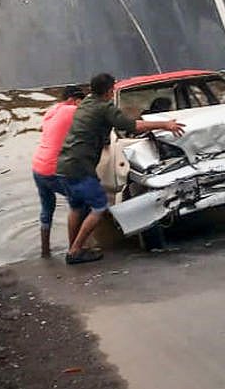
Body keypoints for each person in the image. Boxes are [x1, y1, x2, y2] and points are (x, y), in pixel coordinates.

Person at [54, 72, 184, 265]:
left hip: (66, 164)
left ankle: (75, 247)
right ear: (108, 91)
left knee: (76, 207)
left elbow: (100, 127)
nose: (113, 90)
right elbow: (131, 126)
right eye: (112, 88)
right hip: (80, 167)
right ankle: (75, 251)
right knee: (99, 206)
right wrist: (165, 124)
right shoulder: (104, 107)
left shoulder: (88, 102)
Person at [31, 85, 85, 257]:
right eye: (81, 103)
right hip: (57, 169)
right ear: (74, 100)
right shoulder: (71, 110)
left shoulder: (52, 110)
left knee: (47, 209)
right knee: (80, 204)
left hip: (38, 167)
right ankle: (74, 249)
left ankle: (45, 252)